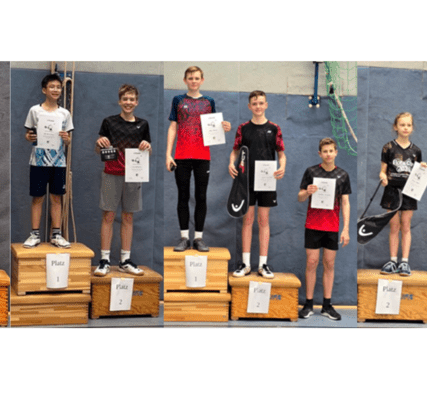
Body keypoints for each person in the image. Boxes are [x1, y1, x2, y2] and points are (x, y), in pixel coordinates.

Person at [166, 65, 231, 252]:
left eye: (196, 78)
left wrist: (224, 127)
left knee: (201, 196)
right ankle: (184, 238)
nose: (193, 81)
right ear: (185, 80)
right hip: (181, 156)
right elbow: (173, 127)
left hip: (202, 156)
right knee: (183, 196)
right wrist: (168, 154)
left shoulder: (209, 101)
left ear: (202, 80)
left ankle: (199, 238)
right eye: (190, 78)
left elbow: (214, 126)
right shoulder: (178, 100)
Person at [93, 84, 151, 276]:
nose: (128, 102)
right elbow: (99, 150)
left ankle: (125, 260)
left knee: (128, 217)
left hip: (133, 176)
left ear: (137, 102)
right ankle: (104, 260)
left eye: (132, 99)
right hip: (111, 173)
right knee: (109, 216)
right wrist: (99, 143)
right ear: (119, 101)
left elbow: (148, 151)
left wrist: (147, 146)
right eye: (125, 99)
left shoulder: (143, 125)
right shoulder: (109, 122)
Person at [229, 90, 286, 279]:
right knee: (247, 220)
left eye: (261, 103)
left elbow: (281, 154)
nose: (258, 106)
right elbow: (235, 151)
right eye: (254, 104)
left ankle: (263, 265)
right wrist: (231, 163)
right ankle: (245, 264)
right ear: (249, 106)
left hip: (266, 180)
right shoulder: (243, 128)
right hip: (246, 180)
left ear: (266, 105)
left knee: (263, 220)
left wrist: (282, 167)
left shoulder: (275, 128)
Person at [297, 138, 351, 321]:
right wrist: (307, 192)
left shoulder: (342, 175)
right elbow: (300, 197)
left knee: (329, 264)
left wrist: (346, 229)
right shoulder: (311, 172)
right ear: (319, 154)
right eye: (325, 151)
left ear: (336, 152)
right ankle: (308, 304)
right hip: (313, 225)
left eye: (331, 151)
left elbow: (345, 202)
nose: (328, 154)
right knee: (312, 262)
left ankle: (327, 306)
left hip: (332, 226)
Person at [23, 74, 74, 249]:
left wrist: (66, 139)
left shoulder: (65, 113)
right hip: (38, 161)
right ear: (44, 90)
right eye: (52, 87)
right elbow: (28, 135)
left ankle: (56, 235)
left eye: (58, 87)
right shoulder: (34, 111)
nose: (55, 90)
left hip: (58, 162)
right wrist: (29, 137)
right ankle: (34, 234)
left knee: (56, 198)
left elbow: (68, 141)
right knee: (37, 198)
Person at [379, 112, 427, 277]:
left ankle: (404, 262)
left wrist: (422, 167)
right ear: (395, 127)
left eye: (408, 125)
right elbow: (382, 171)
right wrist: (383, 177)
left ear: (412, 128)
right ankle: (393, 261)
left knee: (406, 225)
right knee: (394, 226)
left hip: (409, 192)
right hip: (392, 191)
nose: (405, 128)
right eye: (402, 125)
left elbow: (418, 172)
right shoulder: (388, 148)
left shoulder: (416, 151)